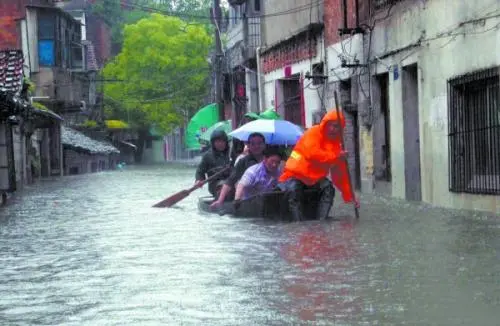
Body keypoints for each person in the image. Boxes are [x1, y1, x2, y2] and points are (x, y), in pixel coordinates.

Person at [277, 109, 359, 221]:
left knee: (328, 187)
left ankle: (321, 221)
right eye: (331, 125)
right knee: (294, 189)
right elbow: (312, 154)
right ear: (326, 124)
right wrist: (335, 156)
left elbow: (340, 175)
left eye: (337, 127)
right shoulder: (313, 132)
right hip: (294, 175)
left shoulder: (336, 147)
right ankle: (298, 224)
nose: (333, 129)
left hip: (314, 180)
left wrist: (350, 196)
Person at [210, 132, 266, 209]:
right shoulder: (243, 161)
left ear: (264, 145)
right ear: (248, 145)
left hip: (267, 193)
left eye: (259, 143)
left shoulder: (271, 160)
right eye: (253, 144)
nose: (256, 146)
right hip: (250, 197)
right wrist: (220, 200)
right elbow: (230, 181)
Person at [194, 129, 231, 197]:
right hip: (215, 184)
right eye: (217, 142)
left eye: (222, 141)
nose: (220, 144)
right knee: (224, 185)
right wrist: (199, 180)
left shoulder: (231, 153)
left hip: (231, 181)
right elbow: (200, 171)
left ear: (226, 142)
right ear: (213, 143)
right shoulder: (208, 156)